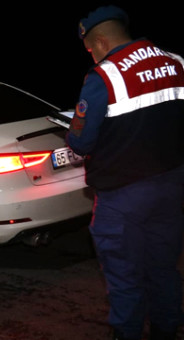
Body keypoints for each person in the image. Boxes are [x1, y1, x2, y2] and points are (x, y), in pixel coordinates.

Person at [67, 6, 184, 340]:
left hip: (123, 195)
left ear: (100, 42)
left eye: (90, 49)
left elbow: (81, 140)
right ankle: (167, 328)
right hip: (171, 185)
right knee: (163, 266)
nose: (91, 56)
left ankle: (127, 333)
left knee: (124, 274)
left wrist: (74, 132)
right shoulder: (175, 62)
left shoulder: (104, 76)